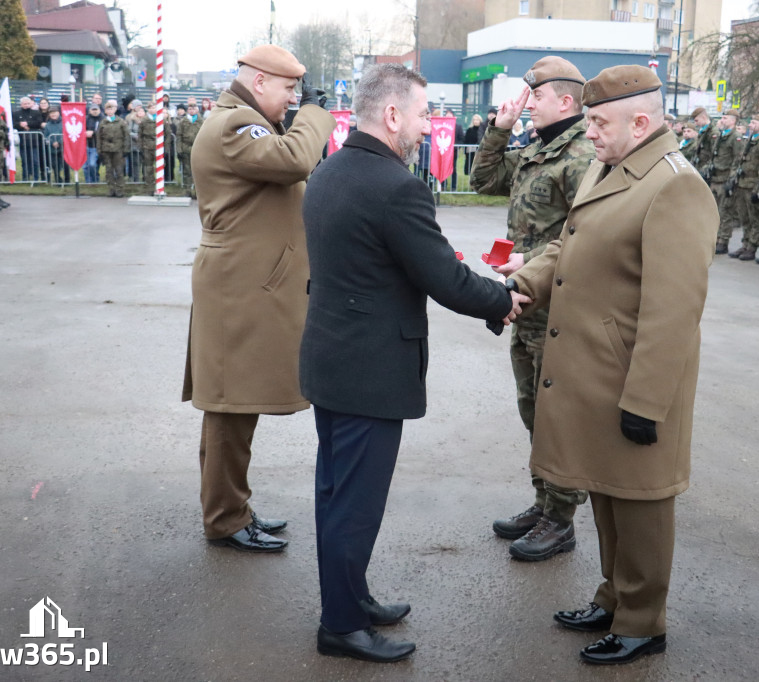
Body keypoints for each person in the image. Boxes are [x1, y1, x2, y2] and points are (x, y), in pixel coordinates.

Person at [300, 62, 529, 664]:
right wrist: (502, 299)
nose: (430, 127)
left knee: (336, 494)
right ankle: (342, 626)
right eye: (425, 115)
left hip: (332, 361)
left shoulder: (329, 171)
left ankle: (351, 598)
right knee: (354, 504)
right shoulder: (395, 186)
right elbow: (444, 279)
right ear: (393, 114)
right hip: (369, 371)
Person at [508, 64, 718, 666]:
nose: (588, 130)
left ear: (641, 122)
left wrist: (646, 402)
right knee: (605, 490)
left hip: (635, 380)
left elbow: (673, 311)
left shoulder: (675, 185)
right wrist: (523, 284)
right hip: (599, 373)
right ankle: (613, 595)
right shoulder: (612, 166)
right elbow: (566, 246)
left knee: (641, 503)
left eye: (598, 121)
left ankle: (642, 619)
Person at [182, 45, 334, 553]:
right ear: (261, 80)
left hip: (243, 284)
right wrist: (317, 114)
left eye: (299, 93)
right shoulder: (236, 124)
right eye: (290, 89)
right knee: (229, 406)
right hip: (237, 288)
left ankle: (232, 507)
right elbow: (294, 160)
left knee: (236, 404)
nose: (293, 100)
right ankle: (225, 518)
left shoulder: (243, 121)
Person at [469, 56, 595, 562]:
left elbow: (584, 235)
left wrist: (534, 260)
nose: (528, 104)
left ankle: (560, 519)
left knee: (558, 415)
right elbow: (483, 182)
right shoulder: (539, 148)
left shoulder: (582, 154)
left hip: (561, 304)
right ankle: (544, 501)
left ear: (564, 101)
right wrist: (498, 131)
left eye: (535, 96)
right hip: (527, 300)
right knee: (533, 409)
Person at [728, 114, 759, 260]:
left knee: (755, 218)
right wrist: (733, 178)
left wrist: (758, 190)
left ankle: (752, 246)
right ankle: (745, 243)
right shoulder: (749, 141)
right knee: (744, 217)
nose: (750, 125)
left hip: (753, 186)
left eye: (753, 123)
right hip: (742, 184)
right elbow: (739, 161)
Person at [709, 108, 741, 253]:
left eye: (726, 118)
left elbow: (737, 159)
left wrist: (731, 179)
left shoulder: (736, 137)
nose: (722, 120)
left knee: (725, 212)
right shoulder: (721, 135)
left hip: (725, 179)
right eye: (723, 118)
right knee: (714, 212)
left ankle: (723, 241)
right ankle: (714, 238)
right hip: (715, 177)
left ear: (733, 121)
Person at [97, 100, 131, 197]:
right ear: (105, 111)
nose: (110, 111)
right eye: (108, 109)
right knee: (109, 170)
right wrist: (99, 150)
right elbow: (99, 137)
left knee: (119, 170)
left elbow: (126, 136)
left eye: (112, 109)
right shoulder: (103, 122)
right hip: (106, 149)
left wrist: (126, 149)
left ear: (115, 110)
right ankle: (111, 189)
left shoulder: (121, 122)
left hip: (118, 149)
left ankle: (120, 189)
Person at [14, 97, 44, 181]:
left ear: (31, 103)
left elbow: (39, 122)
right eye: (24, 104)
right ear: (21, 104)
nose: (26, 105)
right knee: (24, 161)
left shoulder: (36, 113)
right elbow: (13, 124)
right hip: (22, 141)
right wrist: (20, 124)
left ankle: (36, 178)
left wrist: (28, 124)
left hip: (34, 141)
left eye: (28, 103)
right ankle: (25, 178)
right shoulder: (16, 113)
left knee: (35, 161)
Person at [176, 103, 203, 197]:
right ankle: (187, 190)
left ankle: (197, 192)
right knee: (187, 171)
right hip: (186, 148)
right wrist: (179, 149)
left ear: (197, 110)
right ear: (188, 110)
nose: (192, 110)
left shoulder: (202, 121)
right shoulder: (183, 121)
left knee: (198, 171)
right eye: (190, 109)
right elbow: (179, 136)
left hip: (198, 149)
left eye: (194, 108)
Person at [43, 108, 67, 185]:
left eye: (55, 112)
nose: (53, 114)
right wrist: (52, 142)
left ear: (59, 113)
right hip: (52, 148)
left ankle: (67, 181)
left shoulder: (64, 122)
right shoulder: (47, 125)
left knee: (65, 165)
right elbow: (45, 136)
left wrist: (59, 142)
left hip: (64, 148)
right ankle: (58, 180)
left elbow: (66, 133)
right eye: (51, 113)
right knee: (55, 165)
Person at [84, 103, 102, 183]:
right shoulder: (85, 118)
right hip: (85, 145)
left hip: (96, 146)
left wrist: (93, 133)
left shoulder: (103, 119)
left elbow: (103, 131)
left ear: (99, 110)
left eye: (96, 109)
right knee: (85, 166)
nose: (95, 111)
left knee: (92, 164)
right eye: (93, 109)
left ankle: (95, 180)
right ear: (89, 110)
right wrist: (84, 133)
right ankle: (88, 182)